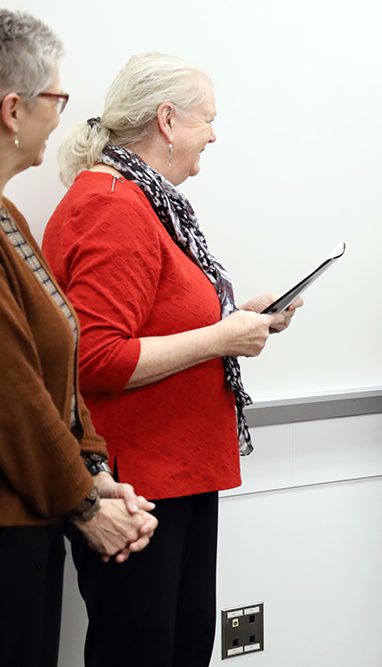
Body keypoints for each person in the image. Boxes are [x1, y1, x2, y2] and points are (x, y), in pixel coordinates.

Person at [42, 52, 302, 667]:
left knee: (179, 648)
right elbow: (97, 359)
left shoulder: (142, 200)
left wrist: (238, 320)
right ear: (166, 120)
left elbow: (154, 321)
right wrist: (222, 338)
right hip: (138, 488)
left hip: (170, 478)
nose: (213, 134)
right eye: (207, 119)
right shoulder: (113, 205)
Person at [0, 10, 157, 667]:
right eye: (57, 99)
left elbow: (52, 363)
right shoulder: (107, 203)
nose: (63, 115)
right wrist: (86, 500)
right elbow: (14, 390)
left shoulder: (8, 215)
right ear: (14, 108)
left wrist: (94, 470)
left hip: (36, 512)